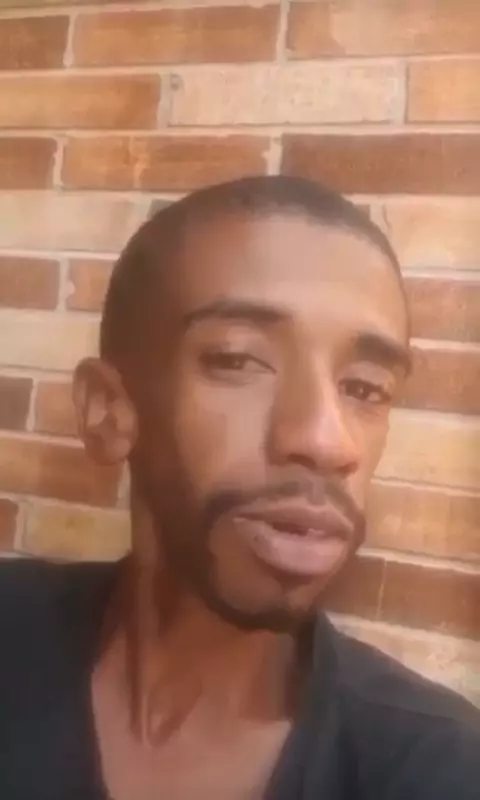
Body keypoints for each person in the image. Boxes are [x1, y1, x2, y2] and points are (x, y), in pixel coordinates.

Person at [1, 176, 479, 800]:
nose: (329, 442)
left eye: (365, 389)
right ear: (109, 411)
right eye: (238, 360)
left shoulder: (439, 765)